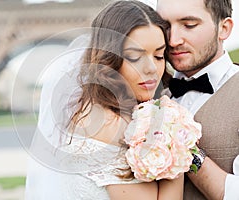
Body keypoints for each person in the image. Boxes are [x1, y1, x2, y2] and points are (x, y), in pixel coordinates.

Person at [25, 1, 184, 199]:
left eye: (159, 56)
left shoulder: (88, 108)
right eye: (135, 57)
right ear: (108, 59)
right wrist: (177, 150)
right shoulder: (110, 124)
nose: (151, 68)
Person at [156, 0, 239, 199]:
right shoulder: (148, 94)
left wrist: (185, 150)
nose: (173, 40)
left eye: (189, 25)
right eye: (165, 26)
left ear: (224, 28)